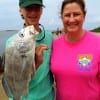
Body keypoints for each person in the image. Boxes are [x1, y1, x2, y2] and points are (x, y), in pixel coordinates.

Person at [3, 0, 55, 100]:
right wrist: (36, 64)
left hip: (48, 96)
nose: (33, 12)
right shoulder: (12, 42)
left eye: (37, 8)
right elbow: (14, 82)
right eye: (28, 8)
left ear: (41, 10)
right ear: (20, 10)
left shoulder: (49, 37)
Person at [50, 0, 100, 100]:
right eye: (67, 15)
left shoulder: (97, 43)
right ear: (62, 17)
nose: (72, 19)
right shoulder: (55, 44)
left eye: (76, 14)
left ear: (84, 16)